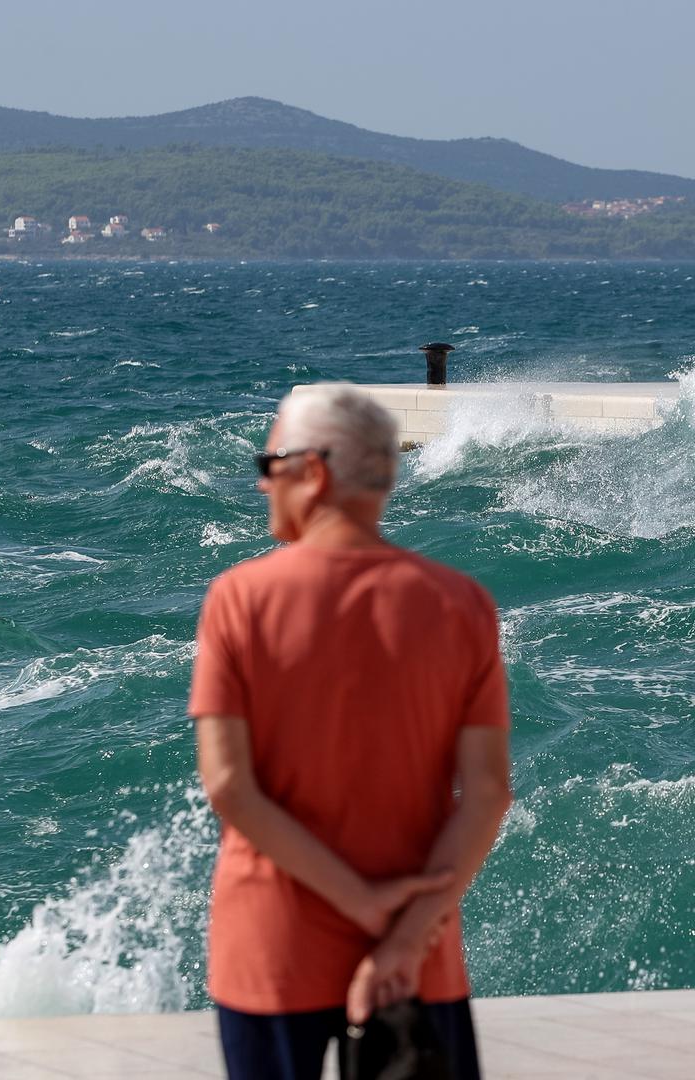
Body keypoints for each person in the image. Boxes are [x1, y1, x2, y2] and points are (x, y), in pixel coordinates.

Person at [188, 385, 512, 1080]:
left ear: (314, 471)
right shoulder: (460, 604)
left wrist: (358, 902)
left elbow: (229, 787)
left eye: (268, 462)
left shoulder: (240, 600)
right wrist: (398, 941)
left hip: (273, 944)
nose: (261, 482)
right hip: (418, 948)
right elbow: (486, 795)